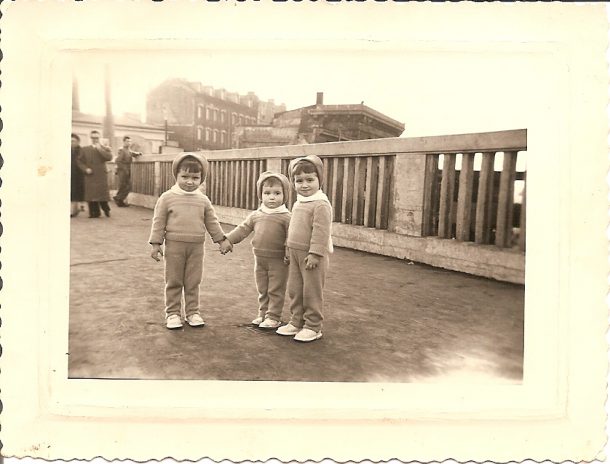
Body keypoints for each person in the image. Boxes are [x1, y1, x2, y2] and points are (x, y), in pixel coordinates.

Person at [149, 152, 232, 330]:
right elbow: (158, 222)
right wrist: (156, 244)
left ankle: (193, 312)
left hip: (196, 247)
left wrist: (221, 240)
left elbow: (212, 222)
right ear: (176, 175)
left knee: (193, 281)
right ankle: (172, 313)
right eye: (184, 176)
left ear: (201, 178)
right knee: (174, 280)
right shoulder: (167, 198)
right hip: (174, 247)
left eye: (195, 177)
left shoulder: (203, 200)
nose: (189, 181)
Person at [222, 172, 291, 329]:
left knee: (275, 289)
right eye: (267, 193)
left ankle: (274, 317)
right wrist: (228, 240)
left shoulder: (286, 216)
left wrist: (288, 251)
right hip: (259, 259)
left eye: (277, 193)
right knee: (263, 287)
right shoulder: (256, 215)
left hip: (279, 260)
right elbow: (243, 229)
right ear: (261, 195)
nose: (271, 197)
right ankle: (263, 313)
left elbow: (291, 237)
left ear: (285, 195)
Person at [276, 155, 333, 342]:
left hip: (311, 256)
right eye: (299, 180)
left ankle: (313, 326)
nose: (304, 185)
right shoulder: (299, 202)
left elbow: (321, 232)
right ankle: (296, 321)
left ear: (320, 180)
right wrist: (287, 249)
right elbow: (293, 228)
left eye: (310, 180)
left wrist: (315, 253)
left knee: (311, 291)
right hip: (294, 254)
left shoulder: (321, 204)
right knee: (295, 289)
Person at [77, 130, 113, 218]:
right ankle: (94, 213)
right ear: (90, 138)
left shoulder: (104, 148)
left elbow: (109, 157)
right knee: (91, 194)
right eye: (93, 138)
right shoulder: (84, 149)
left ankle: (106, 209)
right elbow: (79, 161)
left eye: (96, 138)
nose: (95, 140)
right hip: (90, 175)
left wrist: (100, 149)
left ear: (99, 138)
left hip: (101, 175)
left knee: (102, 194)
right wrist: (85, 169)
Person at [113, 135, 142, 207]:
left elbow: (131, 153)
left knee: (125, 186)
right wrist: (124, 169)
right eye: (127, 141)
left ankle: (119, 200)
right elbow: (118, 161)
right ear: (123, 142)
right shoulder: (121, 150)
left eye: (130, 141)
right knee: (126, 186)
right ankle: (118, 198)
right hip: (122, 170)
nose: (129, 143)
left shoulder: (128, 150)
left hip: (127, 169)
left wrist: (138, 153)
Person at [70, 133, 85, 217]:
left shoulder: (82, 151)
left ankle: (74, 210)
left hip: (79, 174)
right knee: (72, 192)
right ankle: (75, 209)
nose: (71, 143)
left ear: (78, 142)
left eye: (73, 141)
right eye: (70, 141)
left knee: (76, 192)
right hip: (70, 173)